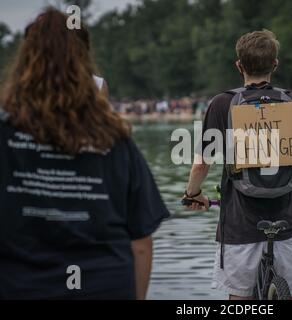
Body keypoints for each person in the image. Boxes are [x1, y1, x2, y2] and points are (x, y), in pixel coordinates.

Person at [0, 8, 170, 299]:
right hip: (105, 284)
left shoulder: (6, 133)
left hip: (23, 285)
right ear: (84, 58)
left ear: (24, 60)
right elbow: (141, 241)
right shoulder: (116, 140)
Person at [183, 30, 292, 300]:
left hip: (240, 226)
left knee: (240, 300)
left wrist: (192, 194)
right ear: (275, 64)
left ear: (239, 65)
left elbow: (201, 164)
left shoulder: (222, 104)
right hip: (287, 221)